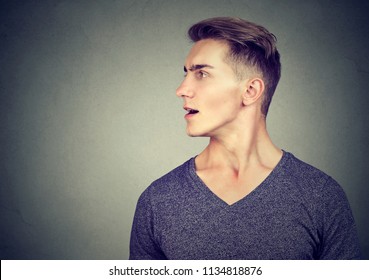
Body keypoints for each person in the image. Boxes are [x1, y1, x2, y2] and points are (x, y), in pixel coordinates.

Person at [129, 17, 361, 259]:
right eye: (186, 73)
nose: (181, 89)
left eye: (202, 74)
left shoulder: (321, 196)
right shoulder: (158, 200)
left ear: (251, 91)